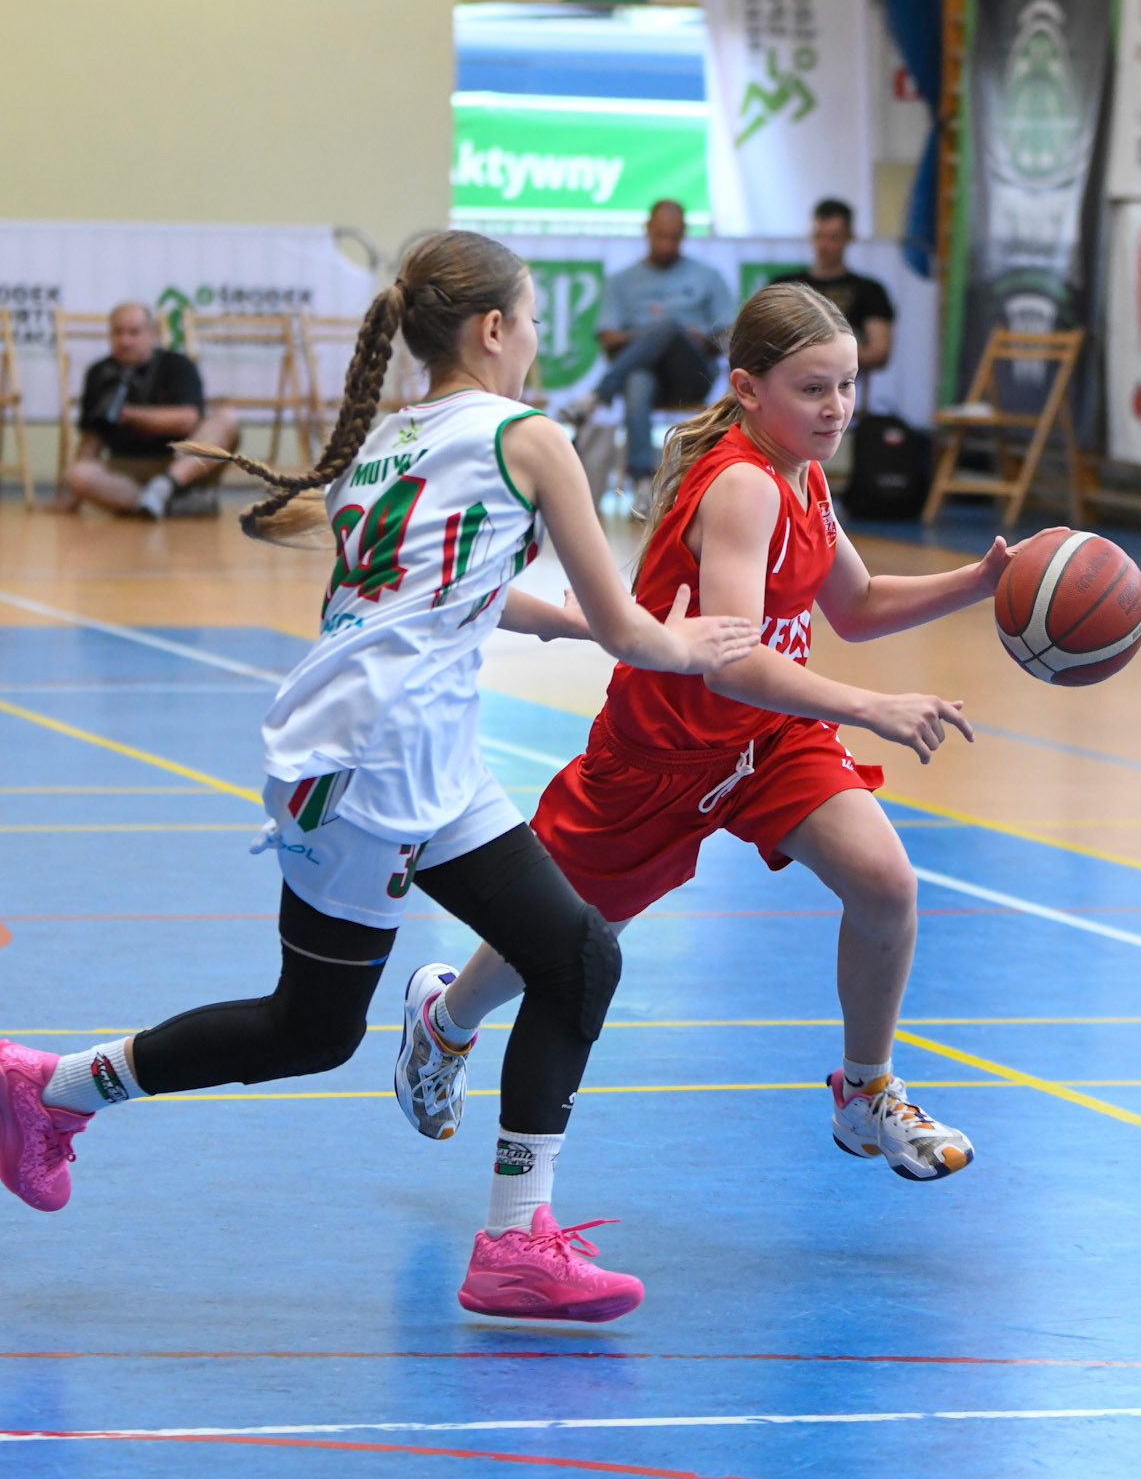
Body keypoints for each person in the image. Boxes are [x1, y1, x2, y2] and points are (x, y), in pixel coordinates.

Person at [0, 231, 756, 1323]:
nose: (535, 340)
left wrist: (552, 623)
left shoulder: (395, 437)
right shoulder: (530, 437)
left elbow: (429, 588)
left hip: (397, 748)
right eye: (530, 320)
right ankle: (55, 1088)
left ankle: (513, 1239)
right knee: (322, 1026)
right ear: (491, 328)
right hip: (376, 761)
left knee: (569, 957)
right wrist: (690, 644)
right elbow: (631, 627)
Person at [401, 285, 1064, 1187]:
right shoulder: (745, 485)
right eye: (812, 389)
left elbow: (856, 605)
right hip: (661, 753)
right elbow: (729, 661)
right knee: (564, 939)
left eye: (847, 385)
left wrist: (979, 582)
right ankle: (444, 1022)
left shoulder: (803, 475)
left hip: (769, 739)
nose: (836, 408)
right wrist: (869, 707)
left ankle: (864, 1091)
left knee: (884, 883)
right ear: (748, 389)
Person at [561, 199, 732, 515]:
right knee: (640, 376)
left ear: (684, 234)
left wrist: (691, 337)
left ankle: (597, 397)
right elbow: (608, 338)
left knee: (665, 325)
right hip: (644, 380)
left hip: (692, 376)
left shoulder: (708, 276)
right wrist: (653, 336)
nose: (667, 244)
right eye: (660, 236)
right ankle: (642, 483)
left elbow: (728, 335)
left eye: (674, 237)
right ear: (647, 231)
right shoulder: (622, 280)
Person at [58, 302, 240, 520]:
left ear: (152, 334)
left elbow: (188, 420)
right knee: (77, 474)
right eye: (118, 332)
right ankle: (163, 505)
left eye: (134, 332)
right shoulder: (98, 373)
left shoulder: (177, 365)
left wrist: (131, 415)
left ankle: (164, 487)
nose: (125, 341)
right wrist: (76, 496)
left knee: (227, 418)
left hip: (181, 464)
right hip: (126, 470)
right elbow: (91, 439)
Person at [772, 198, 895, 373]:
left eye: (833, 238)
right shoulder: (784, 287)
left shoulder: (870, 291)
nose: (823, 246)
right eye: (819, 236)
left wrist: (817, 353)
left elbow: (879, 352)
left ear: (850, 237)